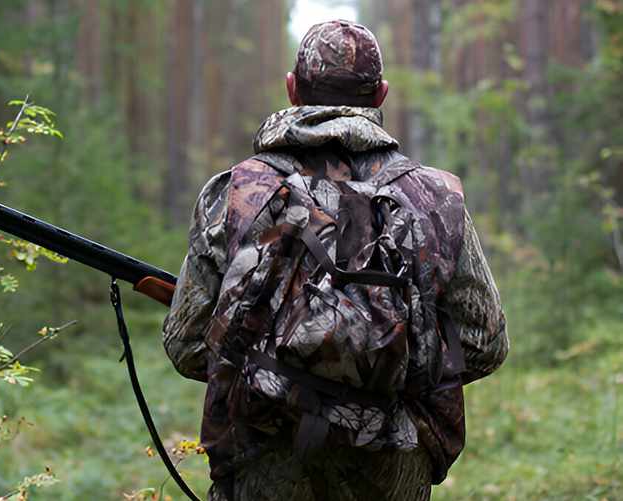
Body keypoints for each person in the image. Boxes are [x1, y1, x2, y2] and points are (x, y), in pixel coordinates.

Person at [162, 20, 509, 501]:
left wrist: (280, 374)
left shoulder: (239, 193)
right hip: (394, 463)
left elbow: (187, 345)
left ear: (292, 89)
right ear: (381, 94)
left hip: (266, 456)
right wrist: (387, 374)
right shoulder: (433, 197)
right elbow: (485, 343)